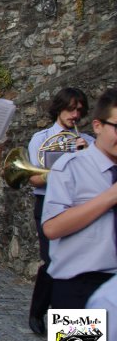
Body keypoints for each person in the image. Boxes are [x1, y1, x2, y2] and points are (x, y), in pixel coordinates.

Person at [42, 87, 117, 311]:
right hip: (78, 286)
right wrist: (110, 196)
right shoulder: (70, 167)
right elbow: (52, 228)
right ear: (98, 126)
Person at [27, 87, 93, 335]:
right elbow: (34, 179)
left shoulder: (90, 143)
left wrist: (86, 156)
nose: (75, 114)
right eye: (70, 108)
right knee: (54, 260)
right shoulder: (41, 138)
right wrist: (68, 164)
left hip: (79, 207)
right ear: (59, 108)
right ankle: (39, 310)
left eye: (79, 110)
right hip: (49, 204)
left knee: (74, 263)